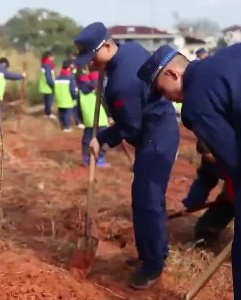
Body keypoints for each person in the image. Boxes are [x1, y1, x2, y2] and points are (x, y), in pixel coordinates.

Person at [74, 22, 179, 289]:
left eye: (93, 59)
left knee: (146, 202)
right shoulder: (131, 48)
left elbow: (129, 126)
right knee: (151, 199)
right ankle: (155, 251)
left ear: (107, 46)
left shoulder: (120, 84)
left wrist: (102, 138)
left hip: (156, 137)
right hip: (160, 128)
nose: (91, 66)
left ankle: (153, 265)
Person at [136, 43, 241, 299]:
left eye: (163, 91)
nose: (167, 99)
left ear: (172, 74)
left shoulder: (195, 104)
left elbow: (235, 161)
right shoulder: (231, 54)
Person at [184, 140, 234, 248]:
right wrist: (195, 198)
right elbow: (206, 178)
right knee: (223, 206)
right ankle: (205, 237)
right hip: (232, 188)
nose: (212, 162)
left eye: (214, 159)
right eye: (208, 159)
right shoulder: (210, 160)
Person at [76, 66, 110, 167]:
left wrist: (80, 120)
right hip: (101, 119)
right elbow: (106, 104)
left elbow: (77, 107)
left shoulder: (80, 90)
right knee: (103, 139)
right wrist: (110, 116)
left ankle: (87, 159)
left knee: (87, 140)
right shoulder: (99, 89)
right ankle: (100, 159)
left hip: (88, 120)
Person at [54, 60, 78, 132]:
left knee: (61, 113)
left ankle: (62, 125)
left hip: (59, 99)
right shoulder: (71, 77)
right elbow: (73, 90)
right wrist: (75, 97)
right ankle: (67, 127)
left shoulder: (57, 77)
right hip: (68, 99)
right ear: (69, 67)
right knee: (67, 114)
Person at [39, 51, 56, 119]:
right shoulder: (48, 65)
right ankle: (49, 113)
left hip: (44, 85)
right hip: (48, 86)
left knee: (46, 100)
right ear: (49, 57)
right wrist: (53, 85)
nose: (53, 58)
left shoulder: (43, 64)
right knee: (49, 101)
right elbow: (49, 77)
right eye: (52, 56)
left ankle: (46, 113)